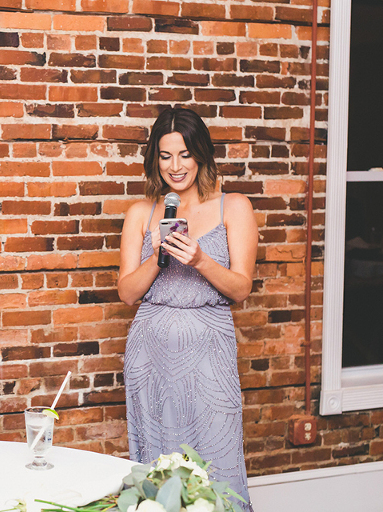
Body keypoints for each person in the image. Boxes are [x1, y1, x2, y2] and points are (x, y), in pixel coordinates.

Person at [117, 108, 257, 511]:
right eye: (165, 156)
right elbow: (127, 293)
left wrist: (200, 260)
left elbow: (241, 288)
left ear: (201, 154)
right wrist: (156, 257)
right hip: (150, 354)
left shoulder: (234, 207)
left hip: (210, 350)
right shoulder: (141, 213)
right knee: (157, 472)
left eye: (185, 154)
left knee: (218, 468)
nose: (175, 166)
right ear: (155, 160)